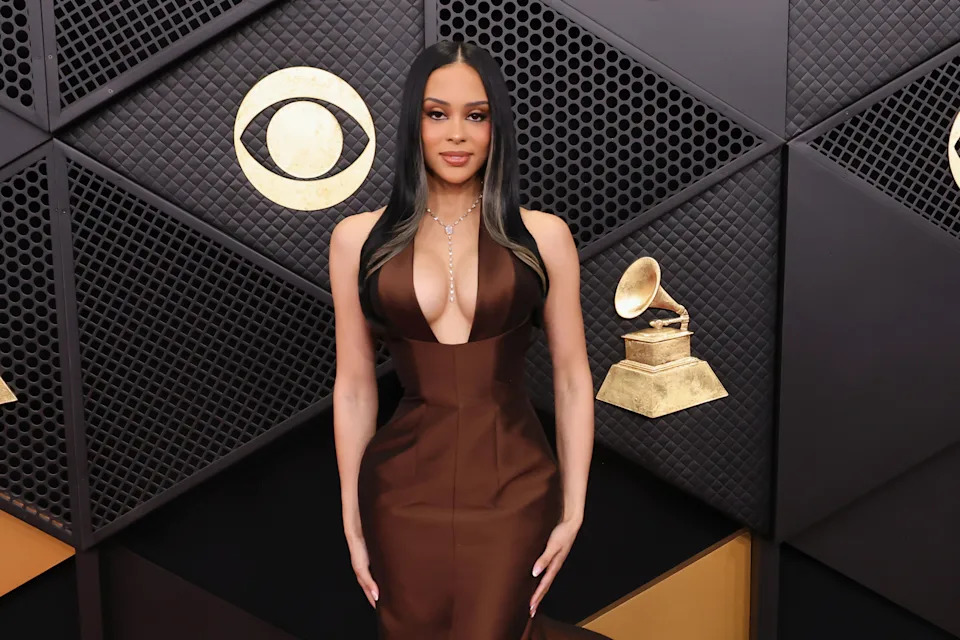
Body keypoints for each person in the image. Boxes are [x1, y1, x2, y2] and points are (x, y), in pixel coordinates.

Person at [329, 40, 612, 639]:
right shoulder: (355, 239)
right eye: (437, 115)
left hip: (515, 488)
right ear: (414, 124)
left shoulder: (545, 236)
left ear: (496, 126)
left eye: (475, 116)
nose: (456, 134)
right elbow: (354, 387)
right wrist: (353, 516)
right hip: (400, 494)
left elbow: (571, 376)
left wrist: (575, 508)